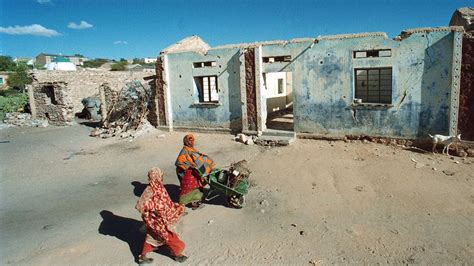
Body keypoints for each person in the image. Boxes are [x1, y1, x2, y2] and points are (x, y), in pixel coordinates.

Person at [135, 167, 188, 263]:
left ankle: (142, 257)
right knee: (170, 237)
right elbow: (140, 206)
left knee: (153, 236)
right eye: (161, 175)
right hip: (157, 220)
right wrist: (153, 212)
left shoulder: (159, 187)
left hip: (161, 218)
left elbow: (165, 202)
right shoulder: (149, 190)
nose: (162, 177)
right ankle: (177, 255)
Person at [175, 134, 216, 209]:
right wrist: (189, 166)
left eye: (192, 140)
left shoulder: (191, 149)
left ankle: (196, 202)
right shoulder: (184, 150)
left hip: (192, 171)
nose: (192, 142)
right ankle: (182, 205)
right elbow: (179, 162)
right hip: (185, 172)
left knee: (197, 185)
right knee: (187, 188)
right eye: (190, 141)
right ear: (186, 141)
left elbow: (198, 157)